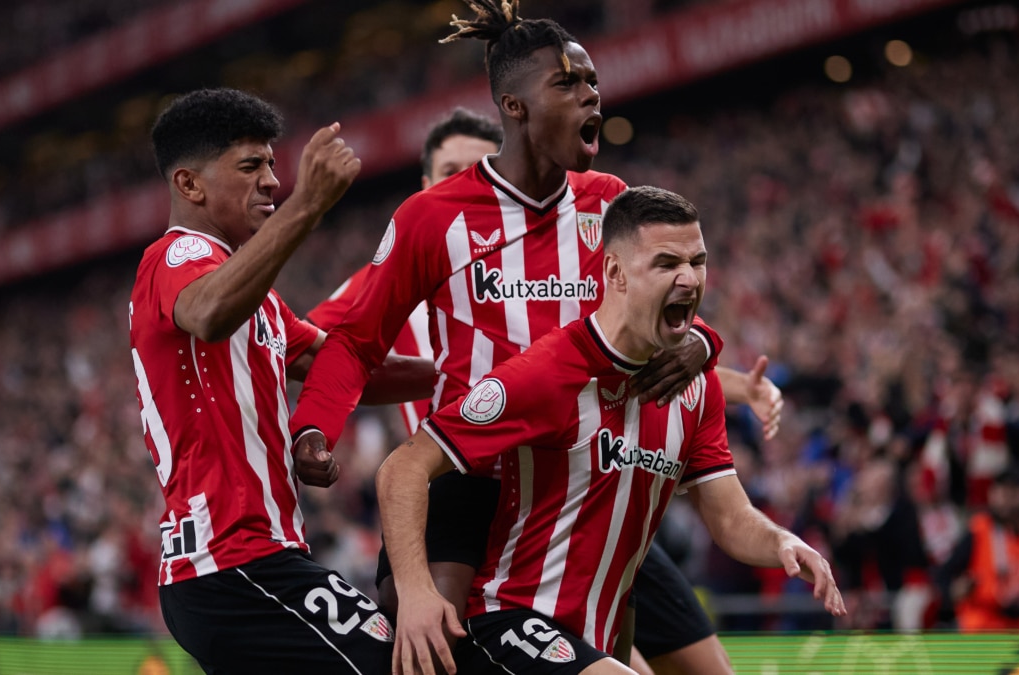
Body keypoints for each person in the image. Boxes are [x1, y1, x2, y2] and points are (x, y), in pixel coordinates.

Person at [289, 3, 782, 673]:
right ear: (515, 107)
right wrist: (313, 423)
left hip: (587, 478)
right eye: (570, 84)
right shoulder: (434, 219)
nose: (591, 94)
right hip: (473, 477)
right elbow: (354, 340)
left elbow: (666, 296)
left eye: (593, 84)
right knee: (434, 652)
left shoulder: (610, 201)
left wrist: (701, 343)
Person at [376, 186, 845, 675]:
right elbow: (403, 467)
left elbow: (730, 517)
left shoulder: (698, 389)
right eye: (666, 264)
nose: (689, 278)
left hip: (596, 641)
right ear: (615, 273)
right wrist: (415, 593)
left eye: (698, 261)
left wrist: (782, 542)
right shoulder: (550, 371)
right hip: (512, 623)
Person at [128, 88, 393, 673]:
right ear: (190, 184)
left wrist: (478, 370)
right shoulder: (174, 258)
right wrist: (309, 205)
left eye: (273, 164)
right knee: (394, 659)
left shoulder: (262, 302)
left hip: (253, 562)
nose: (273, 180)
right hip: (230, 564)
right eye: (252, 165)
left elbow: (349, 366)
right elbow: (207, 313)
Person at [306, 108, 505, 437]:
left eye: (477, 171)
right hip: (445, 478)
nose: (463, 183)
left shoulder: (556, 254)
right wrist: (446, 374)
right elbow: (304, 350)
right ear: (426, 185)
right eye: (450, 171)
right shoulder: (391, 272)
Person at [934, 465, 1019, 631]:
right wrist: (954, 590)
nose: (1006, 497)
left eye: (1013, 491)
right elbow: (943, 576)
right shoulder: (980, 531)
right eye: (1000, 490)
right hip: (984, 629)